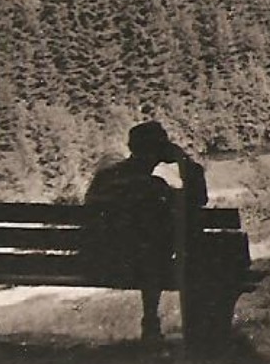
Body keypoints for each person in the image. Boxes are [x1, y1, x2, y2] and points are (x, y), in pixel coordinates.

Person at [82, 121, 207, 341]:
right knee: (156, 250)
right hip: (144, 267)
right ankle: (151, 319)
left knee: (150, 247)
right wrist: (183, 160)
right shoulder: (155, 186)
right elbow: (200, 198)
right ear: (160, 151)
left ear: (131, 148)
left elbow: (89, 211)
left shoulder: (108, 176)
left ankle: (151, 320)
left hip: (97, 261)